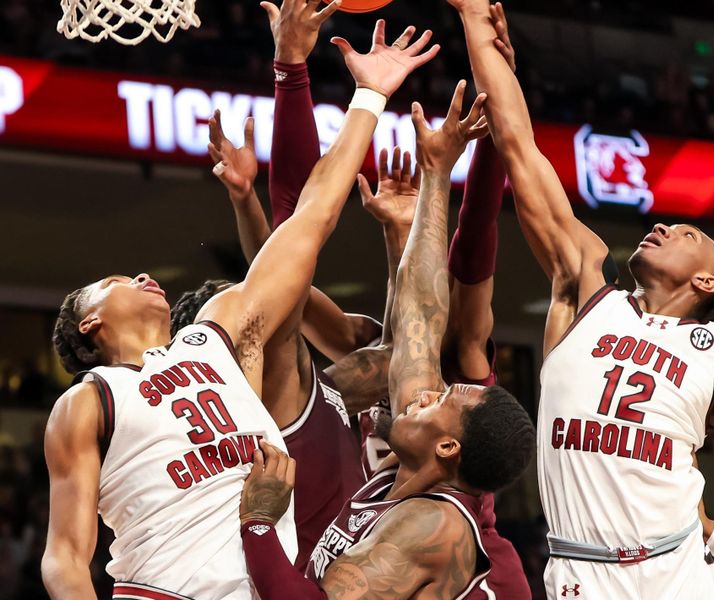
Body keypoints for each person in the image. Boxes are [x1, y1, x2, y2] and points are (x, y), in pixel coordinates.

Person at [41, 18, 438, 600]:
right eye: (117, 279)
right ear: (89, 322)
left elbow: (310, 219)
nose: (144, 276)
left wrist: (370, 97)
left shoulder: (217, 340)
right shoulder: (88, 399)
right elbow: (66, 559)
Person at [451, 0, 714, 597]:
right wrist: (476, 22)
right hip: (577, 575)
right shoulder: (584, 289)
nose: (663, 226)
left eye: (687, 234)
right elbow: (517, 143)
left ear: (707, 284)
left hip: (680, 577)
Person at [236, 82, 536, 599]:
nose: (428, 388)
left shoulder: (429, 526)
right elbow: (417, 319)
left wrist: (258, 525)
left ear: (448, 445)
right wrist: (437, 175)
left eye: (441, 397)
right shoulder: (403, 475)